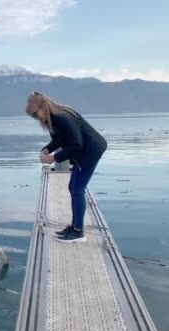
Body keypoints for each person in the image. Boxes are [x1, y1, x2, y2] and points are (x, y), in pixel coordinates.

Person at [25, 91, 107, 243]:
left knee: (77, 189)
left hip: (90, 151)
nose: (36, 118)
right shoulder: (53, 119)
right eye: (33, 117)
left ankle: (78, 232)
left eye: (36, 114)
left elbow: (76, 144)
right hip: (82, 151)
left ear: (44, 106)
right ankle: (75, 226)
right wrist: (47, 149)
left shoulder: (62, 118)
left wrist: (54, 158)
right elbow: (59, 140)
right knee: (73, 187)